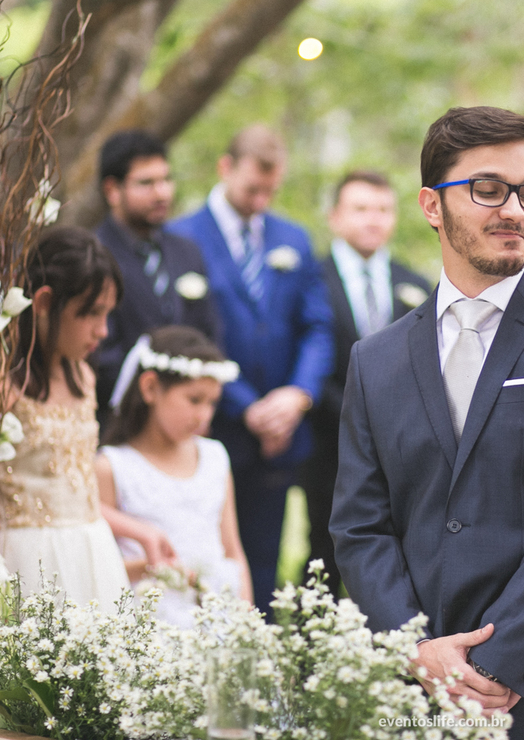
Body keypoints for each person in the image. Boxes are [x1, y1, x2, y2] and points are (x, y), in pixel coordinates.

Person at [330, 106, 524, 739]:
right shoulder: (373, 360)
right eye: (488, 190)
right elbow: (359, 524)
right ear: (432, 207)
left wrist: (497, 666)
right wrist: (416, 649)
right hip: (411, 686)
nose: (515, 210)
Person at [169, 125, 333, 611]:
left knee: (264, 564)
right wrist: (249, 408)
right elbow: (188, 334)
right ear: (226, 168)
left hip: (281, 436)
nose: (261, 200)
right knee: (205, 559)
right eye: (251, 189)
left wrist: (296, 397)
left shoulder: (293, 239)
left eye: (271, 190)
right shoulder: (182, 238)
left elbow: (318, 327)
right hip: (213, 427)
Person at [301, 170, 431, 594]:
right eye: (360, 209)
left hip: (399, 446)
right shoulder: (308, 280)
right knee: (323, 546)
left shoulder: (416, 284)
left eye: (383, 210)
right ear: (335, 216)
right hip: (325, 440)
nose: (372, 220)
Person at [0, 226, 131, 606]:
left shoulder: (83, 376)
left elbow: (78, 488)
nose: (102, 331)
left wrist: (138, 531)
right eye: (90, 314)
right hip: (26, 560)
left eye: (107, 315)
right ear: (44, 302)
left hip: (92, 552)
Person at [96, 325, 254, 628]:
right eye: (194, 400)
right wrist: (150, 568)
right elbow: (98, 565)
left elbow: (232, 550)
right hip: (151, 622)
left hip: (217, 615)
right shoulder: (112, 467)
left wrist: (246, 619)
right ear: (150, 388)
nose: (204, 415)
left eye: (212, 403)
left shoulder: (215, 457)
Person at [94, 130, 220, 435]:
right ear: (112, 190)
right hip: (122, 427)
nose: (162, 193)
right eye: (146, 183)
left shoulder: (187, 251)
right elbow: (99, 352)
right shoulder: (94, 255)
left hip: (191, 428)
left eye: (166, 179)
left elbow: (211, 332)